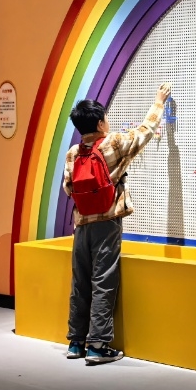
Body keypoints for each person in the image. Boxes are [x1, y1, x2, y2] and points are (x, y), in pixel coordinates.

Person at [62, 83, 171, 365]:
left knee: (80, 282)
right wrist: (159, 101)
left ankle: (76, 342)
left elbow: (68, 188)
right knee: (103, 280)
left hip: (81, 225)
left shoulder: (73, 153)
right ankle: (98, 346)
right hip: (107, 222)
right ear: (100, 123)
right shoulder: (113, 143)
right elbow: (146, 131)